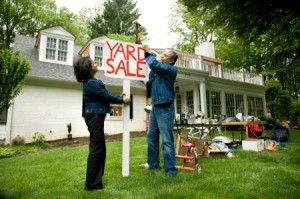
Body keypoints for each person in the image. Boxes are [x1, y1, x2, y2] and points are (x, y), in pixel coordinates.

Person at [73, 56, 131, 191]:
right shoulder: (91, 83)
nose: (95, 63)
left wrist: (119, 97)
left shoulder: (92, 82)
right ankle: (92, 185)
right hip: (94, 117)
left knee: (100, 149)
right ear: (88, 68)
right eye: (93, 63)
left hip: (96, 116)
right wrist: (122, 101)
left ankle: (96, 181)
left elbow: (104, 97)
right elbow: (106, 97)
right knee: (97, 150)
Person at [143, 45, 178, 176]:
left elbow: (154, 64)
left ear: (171, 61)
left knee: (167, 139)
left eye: (165, 56)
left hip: (165, 108)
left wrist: (148, 54)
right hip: (155, 106)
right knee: (151, 137)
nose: (162, 56)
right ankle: (153, 165)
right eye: (162, 54)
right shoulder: (159, 69)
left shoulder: (170, 69)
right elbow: (152, 72)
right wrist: (141, 45)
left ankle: (170, 170)